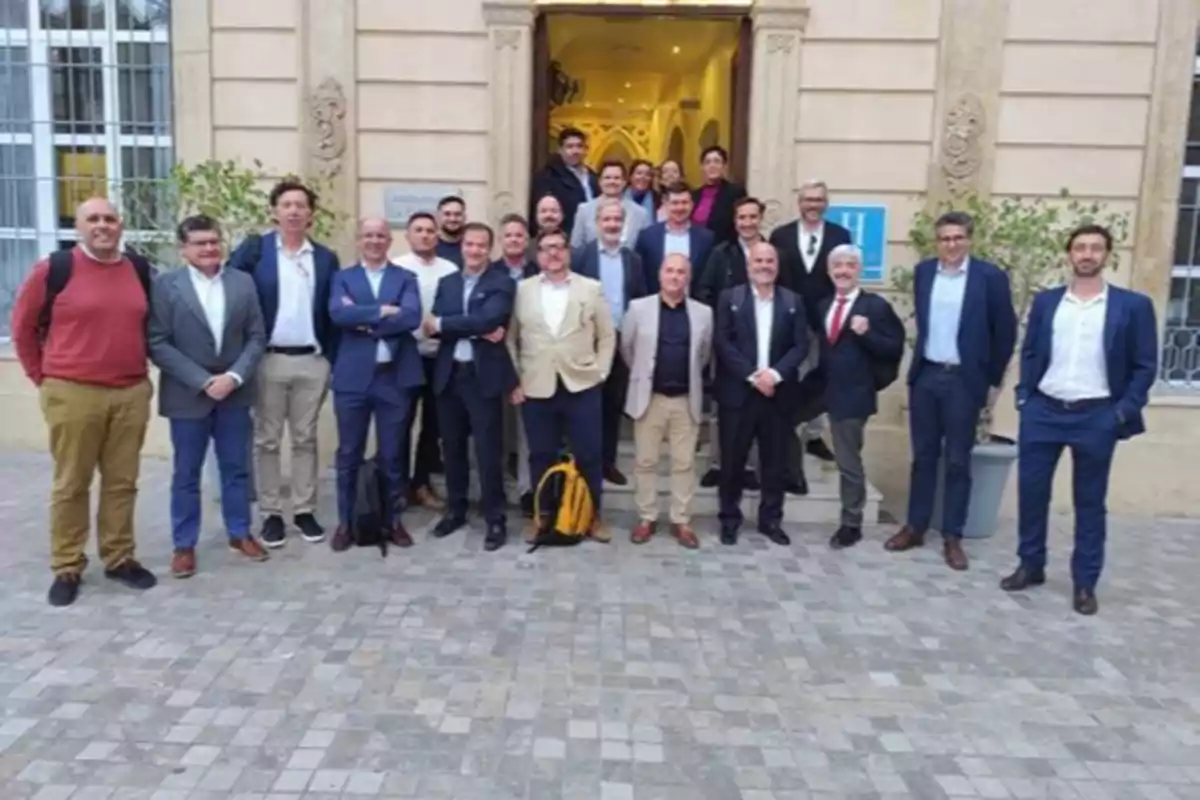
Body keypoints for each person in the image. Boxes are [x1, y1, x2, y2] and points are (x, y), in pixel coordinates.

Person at [1002, 224, 1158, 615]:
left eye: (1095, 248)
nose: (1087, 254)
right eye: (1080, 248)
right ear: (1069, 254)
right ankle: (1030, 564)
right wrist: (1025, 396)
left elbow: (1144, 366)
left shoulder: (1131, 306)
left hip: (1097, 415)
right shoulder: (1048, 302)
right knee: (1032, 493)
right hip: (1044, 411)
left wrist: (1122, 411)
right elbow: (1033, 351)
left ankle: (1085, 582)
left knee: (1090, 503)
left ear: (1107, 255)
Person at [10, 197, 158, 606]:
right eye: (93, 219)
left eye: (109, 219)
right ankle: (67, 563)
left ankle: (118, 556)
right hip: (73, 391)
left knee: (122, 482)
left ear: (121, 225)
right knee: (72, 482)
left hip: (130, 390)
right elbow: (22, 328)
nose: (102, 225)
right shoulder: (55, 270)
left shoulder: (138, 270)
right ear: (79, 227)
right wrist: (43, 378)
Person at [885, 211, 1017, 571]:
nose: (951, 245)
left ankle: (953, 535)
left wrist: (991, 381)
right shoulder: (925, 273)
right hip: (927, 375)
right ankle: (915, 526)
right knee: (923, 456)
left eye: (958, 238)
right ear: (937, 242)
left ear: (969, 240)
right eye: (945, 239)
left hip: (964, 379)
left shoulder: (989, 278)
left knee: (958, 460)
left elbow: (1005, 332)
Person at [148, 214, 269, 578]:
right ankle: (184, 545)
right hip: (188, 395)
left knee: (236, 469)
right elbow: (157, 342)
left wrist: (233, 377)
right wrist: (203, 381)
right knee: (186, 472)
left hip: (234, 392)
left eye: (214, 241)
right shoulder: (166, 286)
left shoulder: (243, 282)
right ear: (184, 249)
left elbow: (256, 336)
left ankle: (239, 533)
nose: (209, 249)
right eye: (200, 243)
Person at [228, 179, 339, 549]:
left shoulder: (324, 258)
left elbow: (332, 310)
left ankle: (304, 509)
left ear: (311, 214)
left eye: (301, 205)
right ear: (274, 211)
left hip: (312, 360)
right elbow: (230, 291)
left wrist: (333, 360)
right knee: (268, 440)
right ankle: (272, 513)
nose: (293, 211)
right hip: (269, 360)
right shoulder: (255, 251)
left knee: (306, 439)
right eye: (286, 204)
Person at [507, 228, 616, 541]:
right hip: (536, 385)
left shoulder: (591, 288)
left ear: (568, 251)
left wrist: (601, 373)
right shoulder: (523, 290)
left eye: (558, 247)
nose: (552, 253)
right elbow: (511, 339)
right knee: (540, 454)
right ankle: (543, 516)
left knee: (589, 454)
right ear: (537, 254)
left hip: (581, 384)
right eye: (545, 248)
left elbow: (607, 336)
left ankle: (592, 515)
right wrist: (517, 377)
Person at [327, 218, 423, 551]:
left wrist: (364, 317)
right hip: (353, 378)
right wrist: (384, 311)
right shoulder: (342, 278)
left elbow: (411, 317)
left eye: (381, 235)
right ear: (358, 240)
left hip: (393, 378)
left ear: (389, 241)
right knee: (349, 453)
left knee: (393, 454)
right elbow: (338, 315)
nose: (374, 241)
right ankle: (346, 522)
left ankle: (392, 520)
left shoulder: (405, 278)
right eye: (368, 235)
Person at [427, 222, 519, 551]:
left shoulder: (502, 282)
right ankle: (456, 509)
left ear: (489, 250)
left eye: (482, 245)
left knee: (488, 451)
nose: (475, 250)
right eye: (470, 245)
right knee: (451, 449)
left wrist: (452, 325)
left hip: (483, 379)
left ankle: (495, 518)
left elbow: (487, 320)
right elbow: (433, 327)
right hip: (449, 375)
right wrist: (472, 328)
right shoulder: (447, 283)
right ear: (462, 247)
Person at [713, 242, 809, 547]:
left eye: (770, 260)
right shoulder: (731, 298)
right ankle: (729, 520)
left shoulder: (793, 301)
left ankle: (770, 520)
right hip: (739, 394)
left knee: (775, 463)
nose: (764, 265)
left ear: (777, 266)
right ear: (748, 265)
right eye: (759, 260)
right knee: (732, 463)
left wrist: (775, 375)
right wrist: (754, 375)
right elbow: (722, 342)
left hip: (777, 395)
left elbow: (800, 346)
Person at [815, 245, 905, 550]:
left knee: (847, 461)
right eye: (837, 265)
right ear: (829, 271)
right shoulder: (824, 304)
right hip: (820, 390)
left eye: (850, 265)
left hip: (852, 395)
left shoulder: (875, 307)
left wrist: (867, 334)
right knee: (781, 424)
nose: (843, 270)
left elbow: (894, 349)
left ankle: (851, 522)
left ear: (859, 270)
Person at [620, 254, 713, 549]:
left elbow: (704, 355)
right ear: (660, 275)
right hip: (650, 398)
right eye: (669, 271)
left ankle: (681, 520)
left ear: (688, 278)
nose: (675, 277)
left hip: (686, 400)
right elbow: (628, 348)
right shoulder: (638, 308)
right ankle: (647, 517)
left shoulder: (703, 313)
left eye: (681, 272)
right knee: (646, 462)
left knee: (684, 463)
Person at [770, 179, 853, 469]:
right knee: (790, 374)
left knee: (821, 376)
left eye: (818, 200)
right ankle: (787, 426)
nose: (813, 205)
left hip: (825, 321)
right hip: (788, 319)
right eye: (808, 200)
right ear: (799, 202)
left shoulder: (840, 236)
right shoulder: (780, 236)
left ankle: (814, 434)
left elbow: (846, 277)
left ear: (826, 203)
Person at [571, 197, 649, 486]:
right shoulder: (581, 257)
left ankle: (608, 462)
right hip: (587, 342)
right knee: (586, 403)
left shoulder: (634, 260)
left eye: (618, 220)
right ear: (597, 223)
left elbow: (640, 299)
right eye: (607, 220)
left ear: (624, 223)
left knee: (613, 404)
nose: (613, 224)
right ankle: (584, 460)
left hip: (621, 341)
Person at [695, 196, 768, 490]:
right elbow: (704, 290)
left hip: (763, 339)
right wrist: (715, 328)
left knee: (755, 403)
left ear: (760, 219)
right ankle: (717, 463)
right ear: (735, 221)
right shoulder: (721, 253)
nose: (747, 223)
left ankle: (749, 466)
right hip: (725, 340)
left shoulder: (772, 253)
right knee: (719, 406)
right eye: (742, 218)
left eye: (752, 217)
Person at [396, 211, 457, 510]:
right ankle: (396, 486)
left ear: (437, 235)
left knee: (433, 427)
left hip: (440, 357)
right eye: (418, 230)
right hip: (406, 356)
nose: (425, 235)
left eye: (430, 230)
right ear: (408, 236)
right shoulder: (396, 267)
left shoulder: (450, 269)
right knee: (400, 423)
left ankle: (421, 483)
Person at [493, 213, 538, 513]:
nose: (514, 240)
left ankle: (526, 489)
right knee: (495, 426)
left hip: (529, 356)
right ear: (501, 239)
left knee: (526, 427)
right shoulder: (489, 271)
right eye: (508, 235)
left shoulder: (539, 271)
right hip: (492, 355)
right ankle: (495, 487)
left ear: (526, 240)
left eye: (519, 235)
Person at [635, 182, 714, 294]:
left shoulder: (706, 238)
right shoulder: (647, 237)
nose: (680, 207)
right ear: (665, 204)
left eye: (684, 202)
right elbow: (641, 277)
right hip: (655, 305)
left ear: (692, 204)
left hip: (694, 306)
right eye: (675, 203)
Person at [529, 127, 598, 237]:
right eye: (570, 147)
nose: (575, 151)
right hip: (564, 239)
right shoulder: (547, 176)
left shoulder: (593, 176)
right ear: (560, 150)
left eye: (579, 146)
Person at [570, 160, 651, 250]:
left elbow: (646, 249)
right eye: (607, 178)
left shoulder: (641, 213)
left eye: (617, 178)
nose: (612, 181)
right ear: (600, 181)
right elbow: (576, 247)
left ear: (624, 182)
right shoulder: (584, 210)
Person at [691, 145, 747, 247]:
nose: (712, 165)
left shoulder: (735, 192)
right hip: (697, 250)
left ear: (724, 166)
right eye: (707, 162)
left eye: (717, 161)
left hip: (723, 251)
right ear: (702, 167)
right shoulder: (693, 195)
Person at [435, 195, 466, 267]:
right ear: (438, 216)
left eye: (457, 214)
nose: (452, 219)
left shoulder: (473, 246)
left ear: (464, 217)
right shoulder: (429, 247)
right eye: (447, 214)